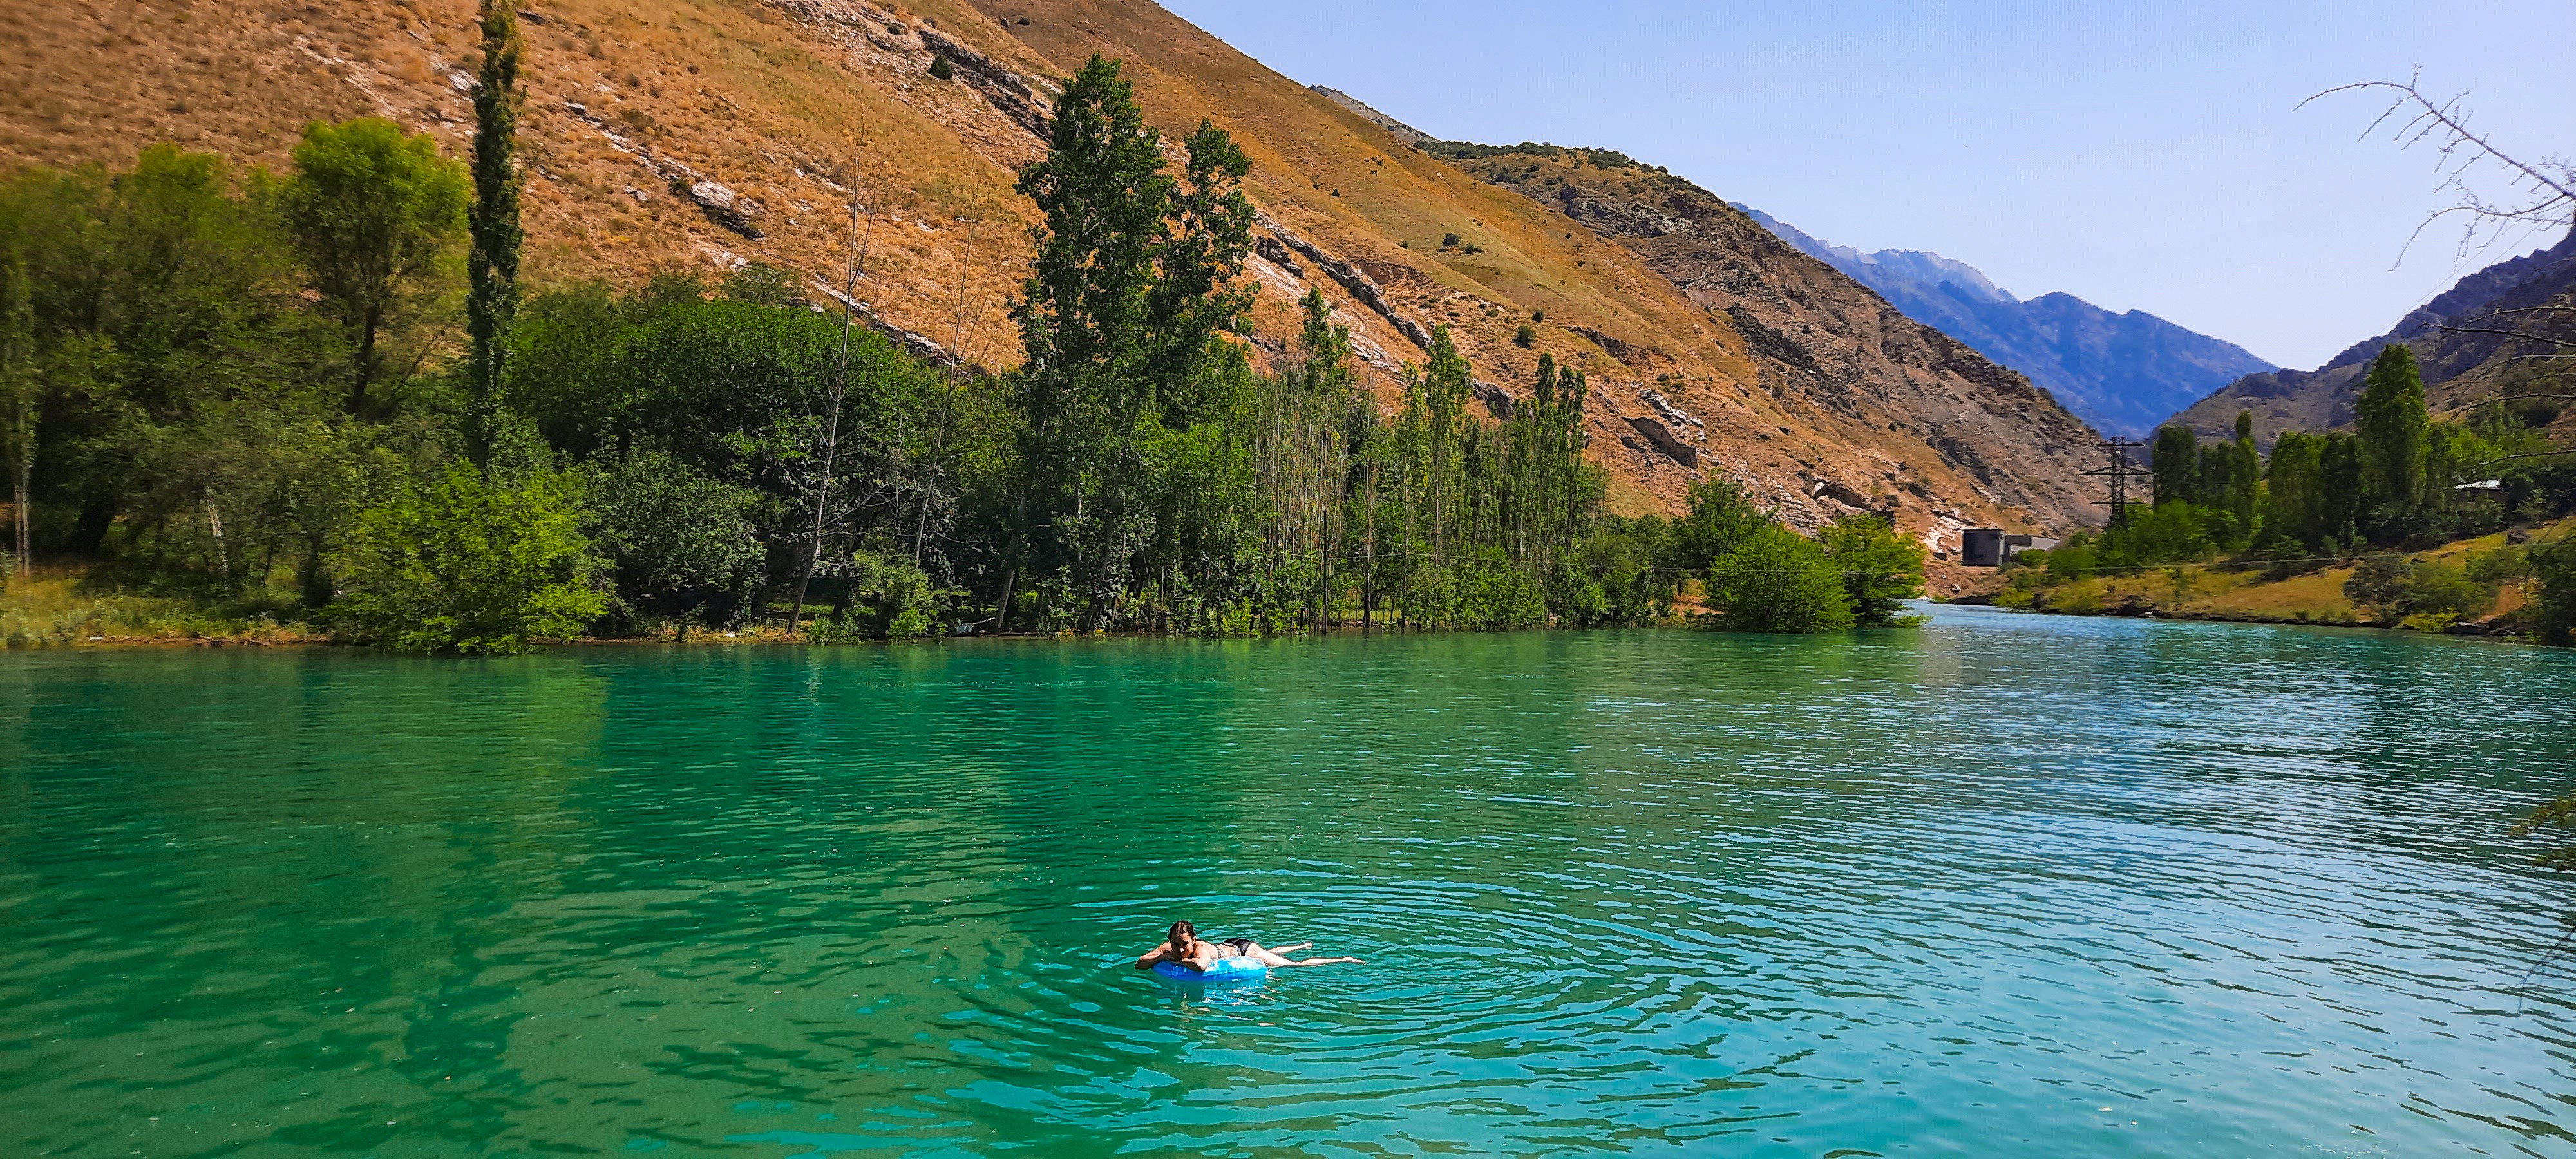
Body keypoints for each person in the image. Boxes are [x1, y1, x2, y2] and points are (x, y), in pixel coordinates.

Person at [1133, 919, 1361, 972]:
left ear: (1194, 940)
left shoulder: (1200, 949)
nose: (1180, 949)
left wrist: (1178, 960)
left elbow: (1202, 966)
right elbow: (1139, 964)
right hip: (1228, 946)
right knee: (1270, 954)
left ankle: (1341, 959)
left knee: (1293, 966)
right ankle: (1301, 944)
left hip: (1243, 949)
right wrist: (1161, 958)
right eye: (1175, 945)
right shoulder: (1169, 948)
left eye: (1184, 944)